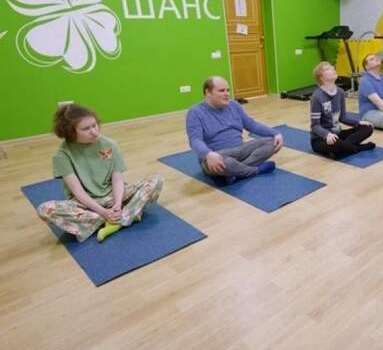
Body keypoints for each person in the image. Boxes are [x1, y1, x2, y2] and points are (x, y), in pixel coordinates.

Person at [37, 104, 164, 243]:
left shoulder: (110, 144)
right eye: (86, 129)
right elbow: (78, 192)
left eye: (94, 125)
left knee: (156, 180)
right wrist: (103, 212)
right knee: (45, 210)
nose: (94, 131)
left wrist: (117, 204)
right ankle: (119, 217)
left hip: (113, 195)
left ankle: (116, 219)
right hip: (86, 203)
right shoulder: (61, 156)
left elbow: (117, 180)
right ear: (71, 132)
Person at [186, 76, 283, 185]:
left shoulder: (234, 105)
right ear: (208, 92)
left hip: (240, 150)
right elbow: (195, 140)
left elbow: (252, 125)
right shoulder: (195, 112)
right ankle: (255, 170)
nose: (227, 94)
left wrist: (276, 133)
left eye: (228, 90)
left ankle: (235, 172)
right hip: (217, 156)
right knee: (227, 163)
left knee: (272, 142)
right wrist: (208, 154)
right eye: (221, 91)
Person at [310, 62, 375, 159]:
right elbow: (315, 126)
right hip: (321, 139)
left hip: (337, 134)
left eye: (332, 67)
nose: (333, 69)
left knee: (368, 128)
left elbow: (343, 117)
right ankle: (360, 148)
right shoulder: (317, 96)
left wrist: (358, 122)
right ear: (321, 78)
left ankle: (341, 150)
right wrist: (327, 134)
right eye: (327, 69)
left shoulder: (340, 92)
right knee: (336, 143)